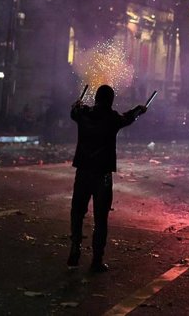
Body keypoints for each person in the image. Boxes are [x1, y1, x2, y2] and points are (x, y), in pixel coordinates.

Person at [67, 85, 148, 271]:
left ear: (95, 98)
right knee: (101, 218)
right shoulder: (112, 118)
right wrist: (139, 109)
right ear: (111, 100)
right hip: (102, 174)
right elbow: (128, 117)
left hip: (83, 171)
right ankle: (96, 260)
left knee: (77, 213)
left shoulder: (83, 114)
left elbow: (74, 112)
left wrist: (76, 105)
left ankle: (74, 250)